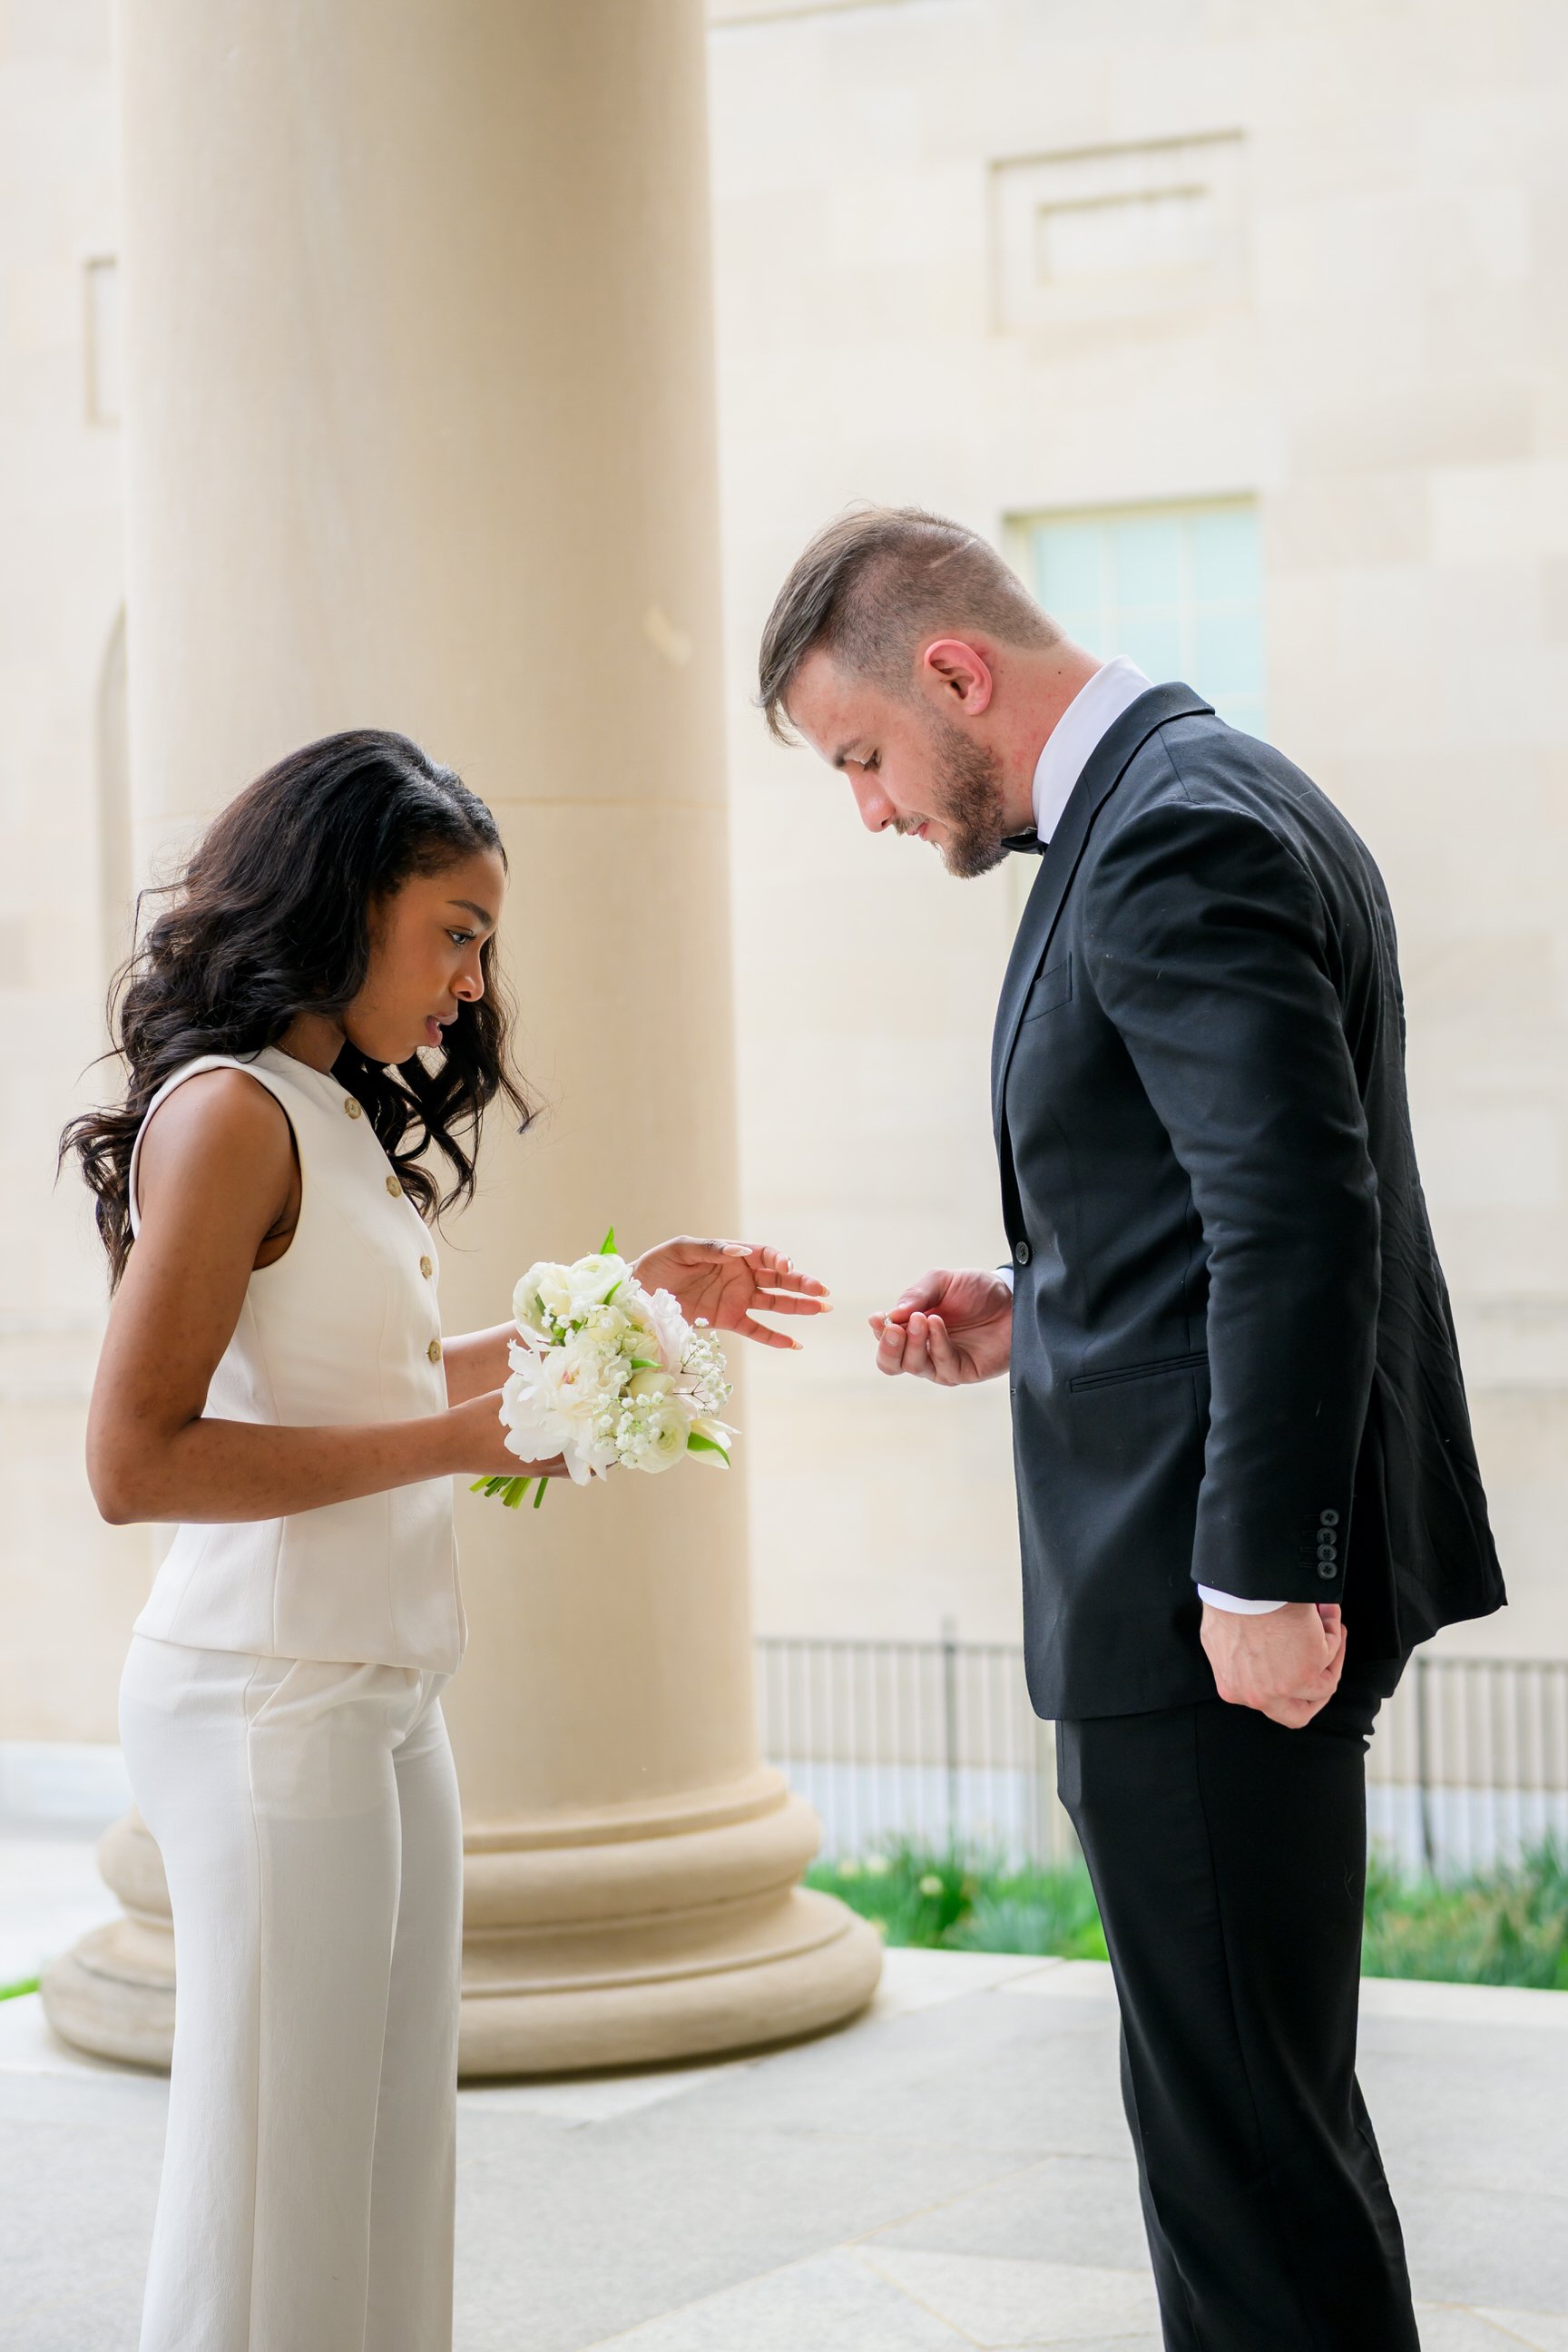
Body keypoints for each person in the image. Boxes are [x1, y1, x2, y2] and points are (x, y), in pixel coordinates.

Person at [757, 507, 1504, 2351]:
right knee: (1253, 2138)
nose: (869, 810)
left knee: (1243, 2162)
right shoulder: (1201, 793)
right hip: (1188, 1581)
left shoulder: (1166, 836)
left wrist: (1258, 1571)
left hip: (1197, 1610)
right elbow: (1219, 1203)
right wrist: (1043, 1305)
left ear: (953, 674)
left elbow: (1295, 1216)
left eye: (860, 757)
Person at [63, 728, 828, 2352]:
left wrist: (623, 1313)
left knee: (392, 2147)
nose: (476, 980)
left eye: (485, 940)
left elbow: (387, 1375)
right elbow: (134, 1460)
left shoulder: (332, 1111)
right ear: (347, 905)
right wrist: (457, 1443)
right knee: (278, 2165)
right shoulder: (228, 1115)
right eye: (457, 930)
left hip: (380, 1689)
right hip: (268, 1695)